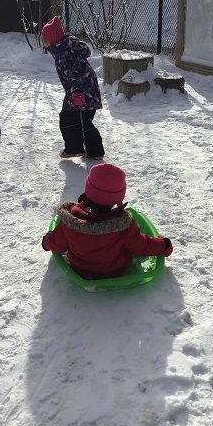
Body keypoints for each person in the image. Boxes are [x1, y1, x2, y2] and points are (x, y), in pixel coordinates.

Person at [42, 163, 173, 279]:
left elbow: (57, 244)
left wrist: (46, 242)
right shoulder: (123, 224)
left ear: (88, 189)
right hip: (115, 271)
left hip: (79, 270)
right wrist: (164, 245)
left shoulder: (71, 219)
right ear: (118, 197)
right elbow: (141, 246)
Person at [41, 15, 105, 160]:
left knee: (70, 119)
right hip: (87, 91)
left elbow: (73, 76)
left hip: (82, 94)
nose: (44, 43)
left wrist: (76, 94)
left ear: (52, 39)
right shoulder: (68, 47)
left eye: (45, 40)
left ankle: (82, 150)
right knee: (80, 120)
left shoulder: (63, 54)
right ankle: (89, 150)